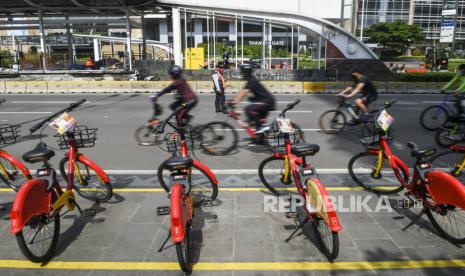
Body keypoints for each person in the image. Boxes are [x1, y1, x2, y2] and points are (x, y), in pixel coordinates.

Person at [229, 64, 276, 145]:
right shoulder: (251, 80)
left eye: (242, 73)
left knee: (248, 109)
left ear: (245, 73)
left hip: (266, 101)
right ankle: (260, 139)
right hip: (266, 101)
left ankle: (262, 128)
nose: (241, 74)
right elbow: (241, 93)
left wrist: (233, 102)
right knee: (257, 121)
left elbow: (243, 94)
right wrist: (232, 100)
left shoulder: (251, 81)